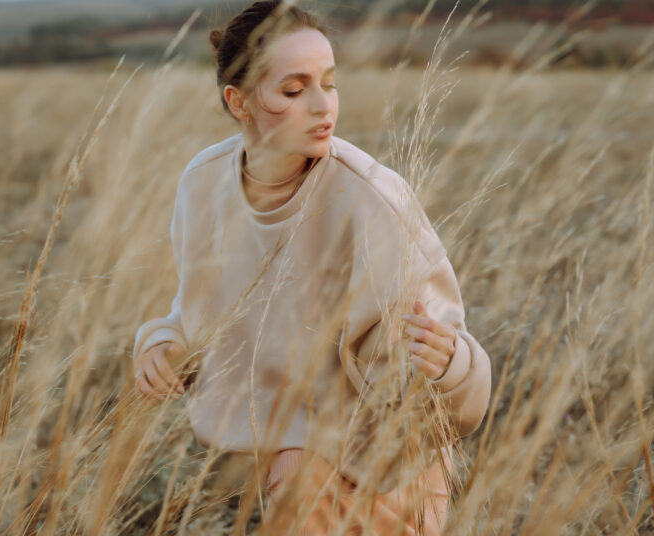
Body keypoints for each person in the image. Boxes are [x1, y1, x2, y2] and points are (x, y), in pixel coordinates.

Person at [132, 1, 492, 534]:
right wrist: (160, 345)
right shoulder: (203, 184)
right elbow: (200, 315)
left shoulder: (370, 197)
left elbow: (448, 370)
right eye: (294, 90)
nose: (324, 106)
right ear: (239, 102)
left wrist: (451, 364)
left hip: (387, 461)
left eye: (330, 83)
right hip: (288, 449)